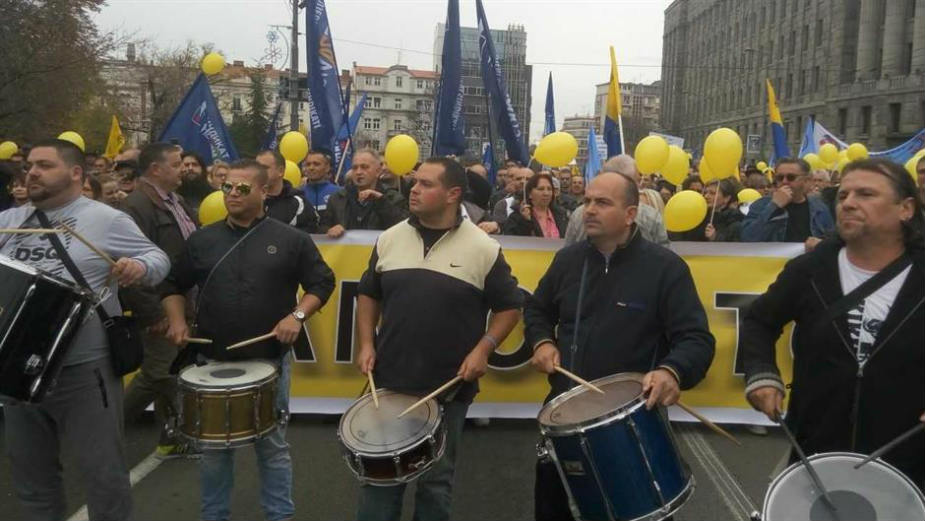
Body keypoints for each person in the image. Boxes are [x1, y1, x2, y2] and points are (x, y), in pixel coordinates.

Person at [526, 171, 715, 521]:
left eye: (602, 203)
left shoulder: (665, 268)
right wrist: (542, 341)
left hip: (632, 427)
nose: (589, 211)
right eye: (587, 202)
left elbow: (696, 339)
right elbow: (538, 309)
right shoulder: (568, 261)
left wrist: (671, 371)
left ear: (630, 214)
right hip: (565, 420)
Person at [0, 138, 170, 521]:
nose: (32, 172)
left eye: (45, 165)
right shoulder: (9, 223)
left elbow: (158, 260)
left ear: (76, 173)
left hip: (82, 369)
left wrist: (137, 268)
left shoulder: (105, 219)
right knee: (32, 480)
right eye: (29, 165)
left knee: (103, 475)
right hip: (17, 368)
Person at [162, 159, 335, 521]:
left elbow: (322, 282)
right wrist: (177, 320)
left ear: (264, 191)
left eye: (242, 188)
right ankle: (214, 517)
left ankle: (279, 516)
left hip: (268, 361)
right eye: (226, 187)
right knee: (213, 451)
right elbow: (172, 285)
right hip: (211, 361)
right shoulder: (202, 239)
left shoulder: (291, 239)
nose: (232, 194)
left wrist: (297, 315)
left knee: (271, 447)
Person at [355, 157, 523, 521]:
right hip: (388, 383)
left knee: (435, 482)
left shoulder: (484, 248)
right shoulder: (389, 238)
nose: (414, 189)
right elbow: (369, 293)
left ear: (453, 194)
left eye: (426, 184)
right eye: (414, 182)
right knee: (380, 480)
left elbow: (510, 307)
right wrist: (367, 343)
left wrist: (484, 349)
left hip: (448, 390)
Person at [741, 158, 924, 489]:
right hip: (816, 453)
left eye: (866, 194)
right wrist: (761, 374)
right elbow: (758, 321)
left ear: (906, 209)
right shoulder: (810, 269)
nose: (849, 203)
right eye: (842, 196)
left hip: (907, 461)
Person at [120, 141, 200, 458]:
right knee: (158, 372)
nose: (184, 168)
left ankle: (173, 437)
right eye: (177, 163)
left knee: (172, 368)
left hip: (181, 300)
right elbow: (129, 266)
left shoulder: (175, 201)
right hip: (160, 305)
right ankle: (107, 430)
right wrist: (153, 314)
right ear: (156, 169)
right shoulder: (136, 206)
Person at [565, 155, 670, 247]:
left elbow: (664, 259)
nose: (590, 211)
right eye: (637, 180)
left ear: (631, 214)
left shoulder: (651, 217)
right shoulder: (650, 217)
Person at [741, 157, 835, 245]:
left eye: (791, 177)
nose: (784, 181)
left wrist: (820, 244)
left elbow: (831, 240)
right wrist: (774, 206)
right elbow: (748, 239)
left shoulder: (819, 207)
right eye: (780, 178)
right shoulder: (761, 205)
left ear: (806, 180)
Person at [323, 149, 407, 238]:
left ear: (378, 171)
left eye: (364, 167)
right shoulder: (337, 198)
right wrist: (329, 230)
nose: (358, 172)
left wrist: (381, 202)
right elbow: (321, 228)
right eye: (355, 168)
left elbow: (403, 227)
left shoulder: (393, 198)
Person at [256, 149, 319, 233]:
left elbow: (312, 234)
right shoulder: (246, 198)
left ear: (281, 171)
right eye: (256, 168)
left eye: (264, 168)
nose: (259, 172)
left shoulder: (298, 203)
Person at [502, 172, 568, 237]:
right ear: (530, 194)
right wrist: (525, 221)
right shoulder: (516, 218)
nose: (546, 193)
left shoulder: (561, 215)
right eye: (541, 189)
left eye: (549, 189)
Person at [704, 178, 745, 242]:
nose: (706, 196)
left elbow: (735, 247)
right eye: (706, 192)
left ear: (726, 198)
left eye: (712, 193)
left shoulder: (735, 220)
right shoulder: (702, 216)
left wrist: (716, 237)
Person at [301, 148, 340, 214]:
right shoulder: (299, 194)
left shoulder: (339, 193)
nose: (311, 168)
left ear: (327, 168)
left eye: (316, 164)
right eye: (308, 164)